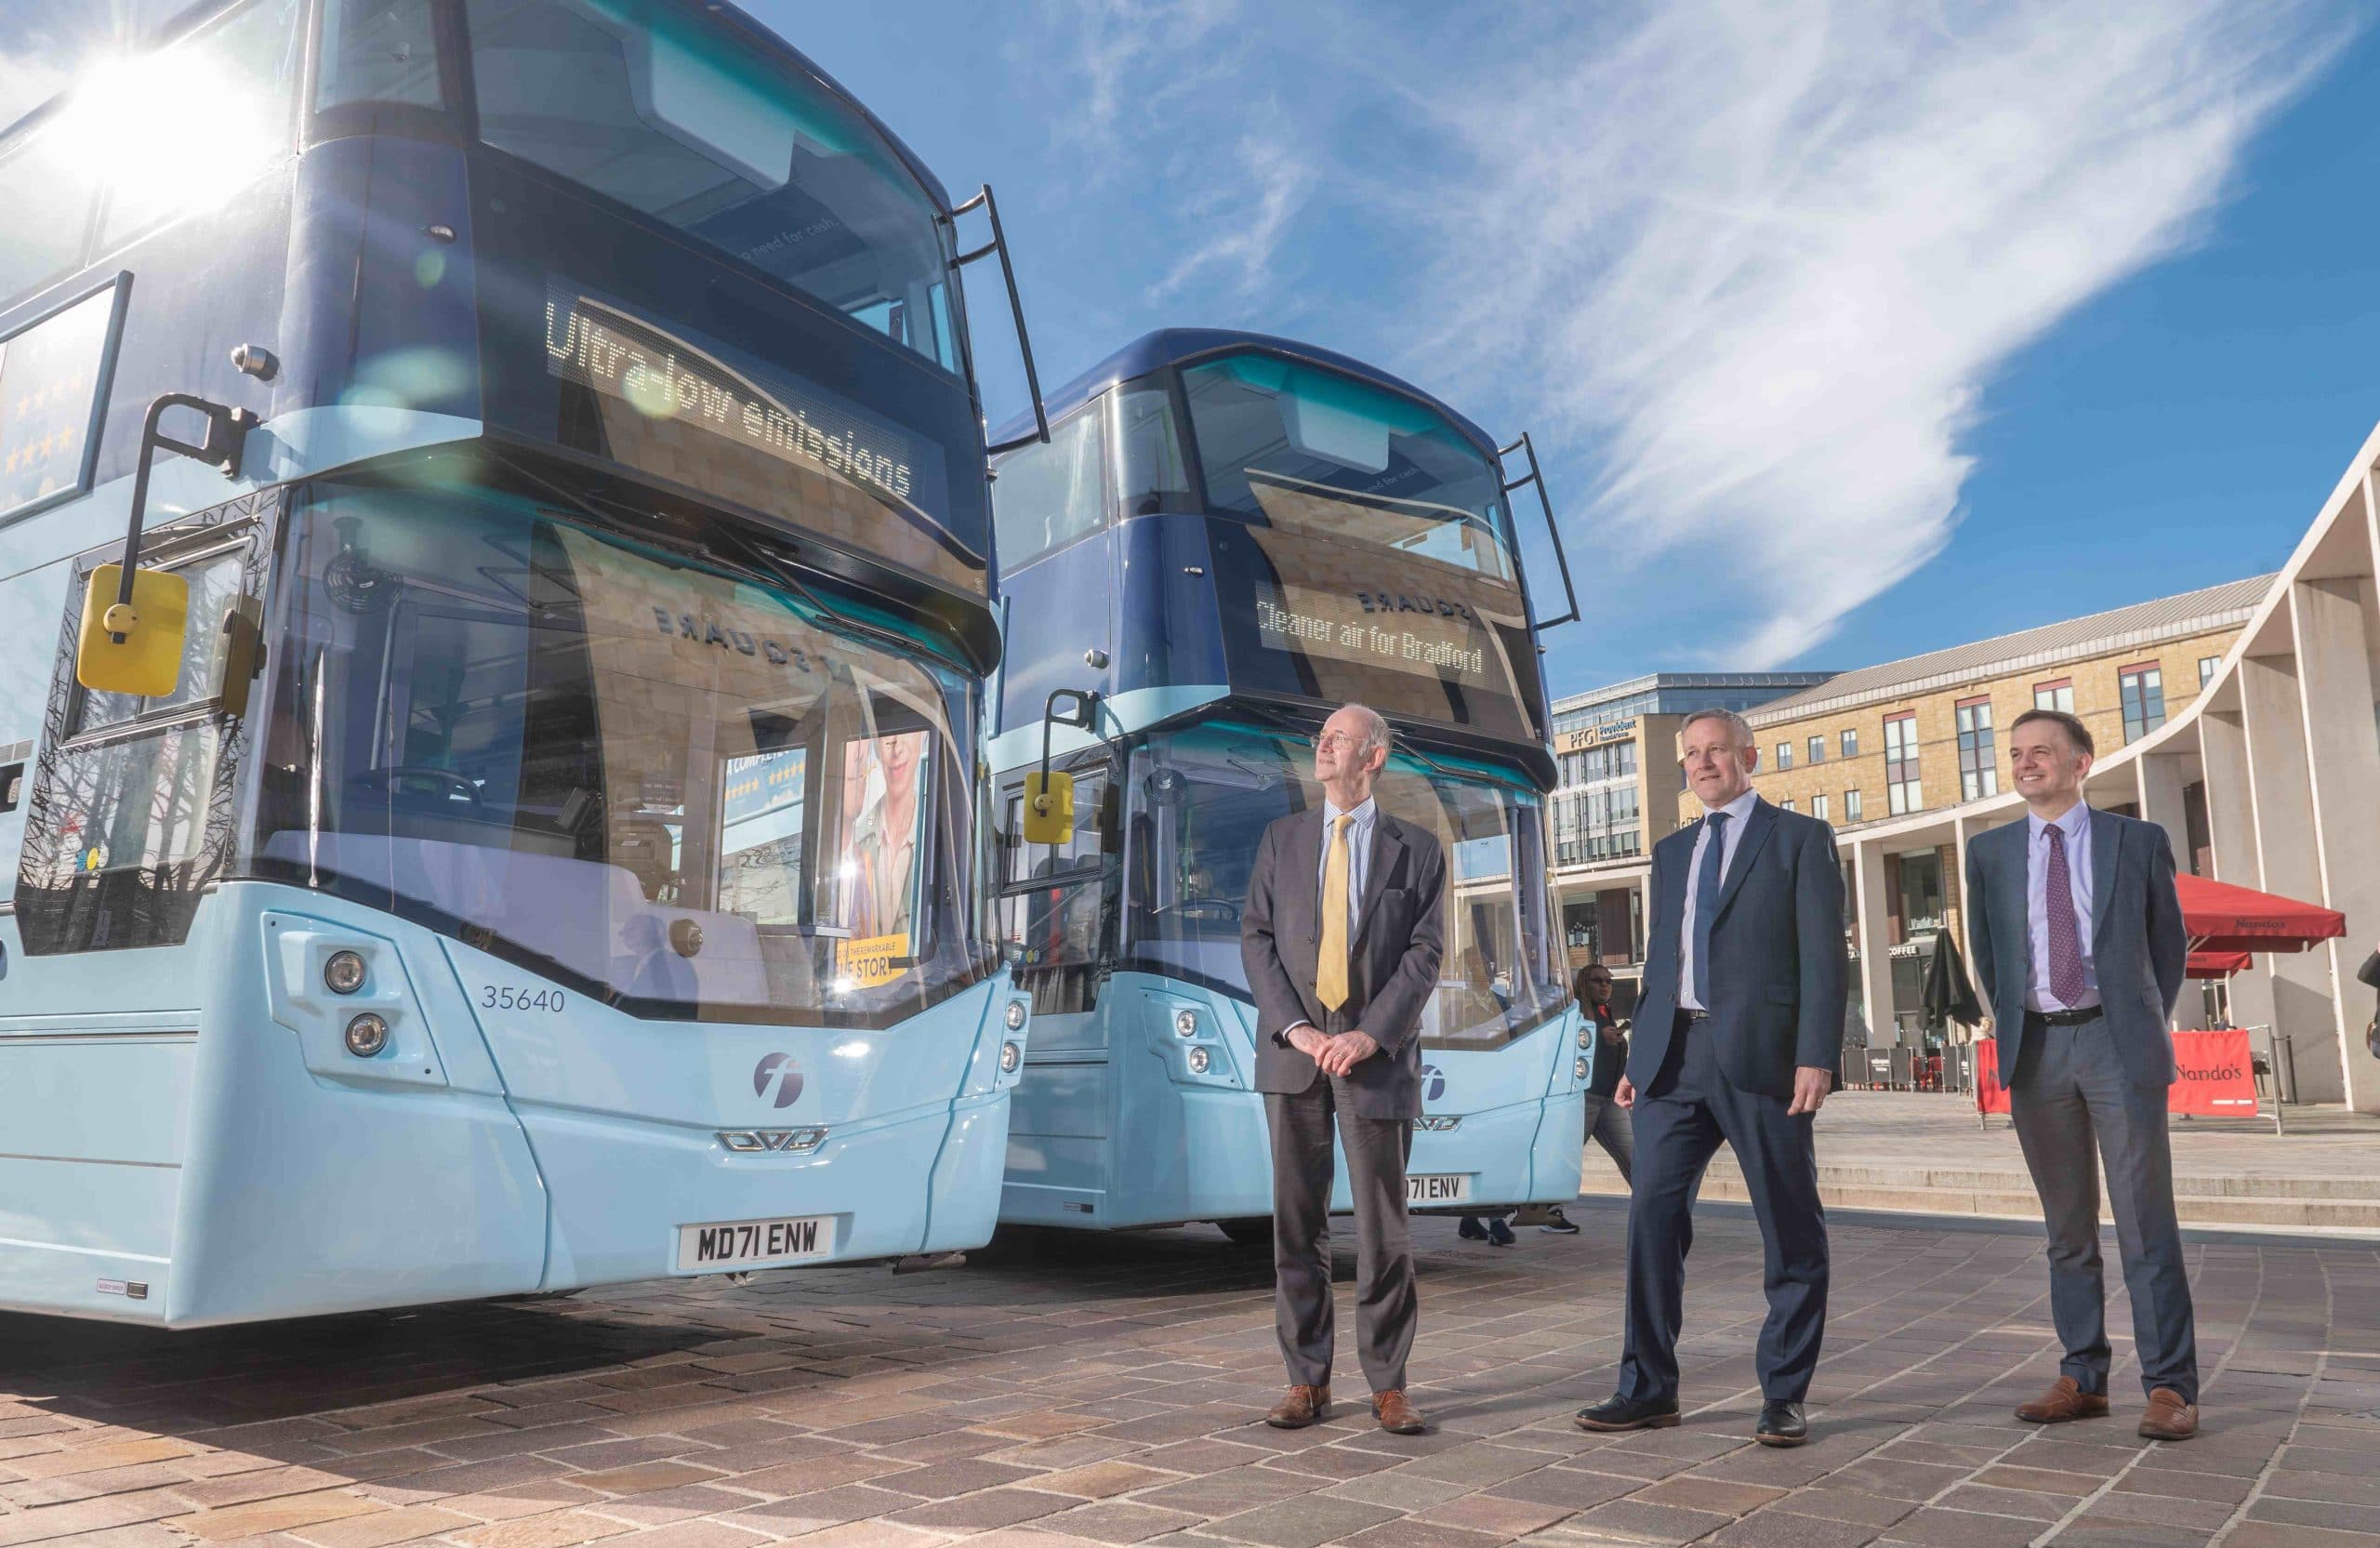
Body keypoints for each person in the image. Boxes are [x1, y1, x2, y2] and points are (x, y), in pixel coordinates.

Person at [1576, 708, 1844, 1449]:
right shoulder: (1671, 851)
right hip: (1673, 1060)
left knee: (1789, 1228)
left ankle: (1784, 1394)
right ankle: (1648, 1387)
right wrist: (1637, 1057)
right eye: (1691, 754)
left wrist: (1816, 1054)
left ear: (1747, 755)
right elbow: (1666, 956)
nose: (1702, 763)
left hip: (1764, 1060)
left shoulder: (1798, 839)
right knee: (1651, 1220)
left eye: (1715, 750)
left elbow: (1825, 958)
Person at [1965, 708, 2199, 1442]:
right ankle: (2083, 1377)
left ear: (2081, 762)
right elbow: (1989, 955)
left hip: (2115, 1044)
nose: (2026, 762)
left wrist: (2135, 1019)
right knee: (2066, 1229)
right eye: (2016, 753)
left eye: (2041, 751)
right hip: (2036, 1051)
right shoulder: (1990, 852)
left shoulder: (2137, 841)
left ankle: (2168, 1386)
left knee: (2144, 1222)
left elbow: (2167, 947)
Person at [1241, 703, 1447, 1436]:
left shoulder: (1417, 850)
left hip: (1375, 1062)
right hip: (1293, 1059)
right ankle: (1306, 1378)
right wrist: (1297, 1028)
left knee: (1384, 1229)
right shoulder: (1282, 838)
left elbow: (1425, 956)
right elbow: (1256, 938)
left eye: (1338, 738)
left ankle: (1389, 1385)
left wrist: (1368, 1034)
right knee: (1296, 1227)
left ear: (1374, 756)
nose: (1321, 745)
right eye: (1321, 737)